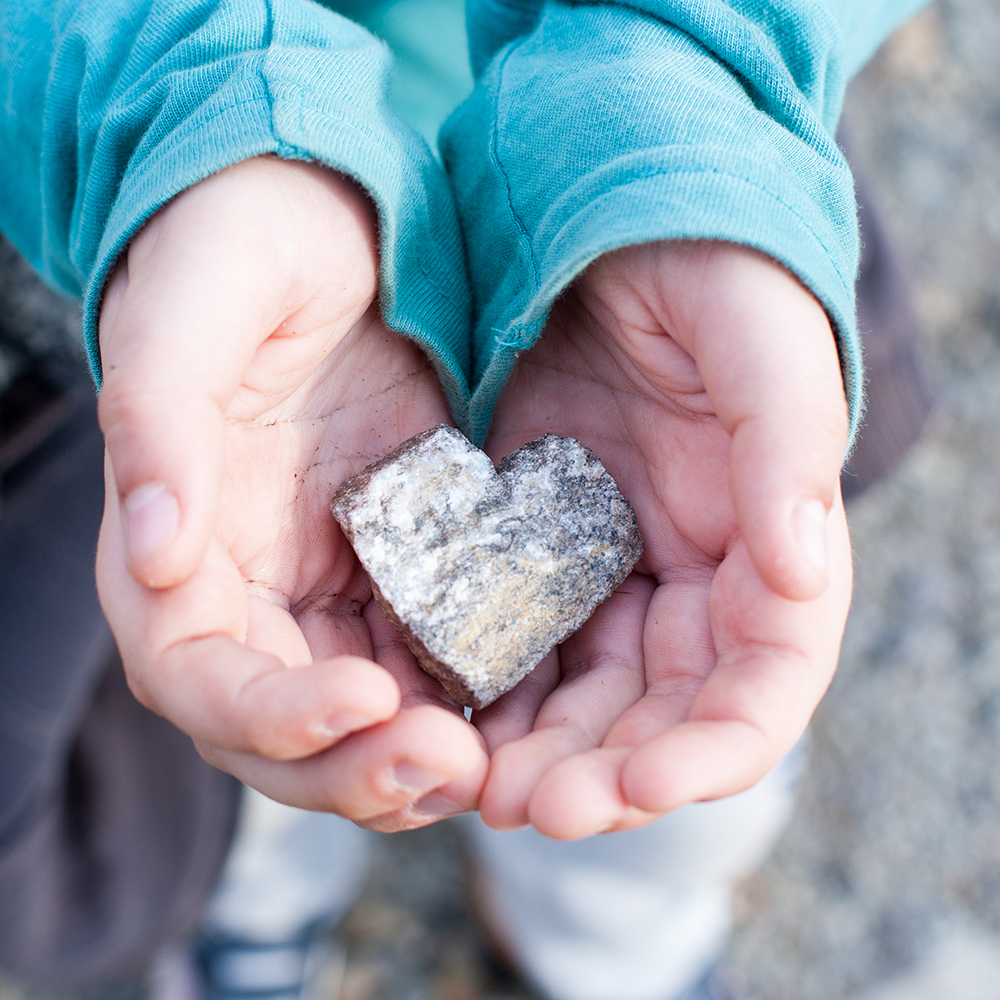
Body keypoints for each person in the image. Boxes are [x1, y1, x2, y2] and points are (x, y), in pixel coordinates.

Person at [0, 0, 932, 997]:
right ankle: (262, 889)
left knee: (696, 681)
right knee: (267, 698)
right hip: (164, 215)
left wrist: (684, 82)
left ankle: (610, 931)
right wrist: (183, 107)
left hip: (650, 175)